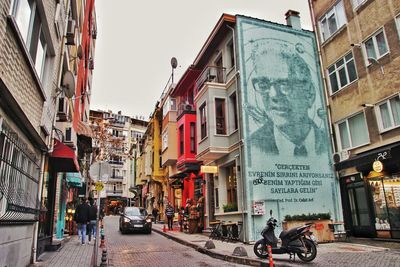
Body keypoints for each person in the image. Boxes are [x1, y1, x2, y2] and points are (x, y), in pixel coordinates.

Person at [248, 41, 328, 157]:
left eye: (284, 84)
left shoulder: (327, 142)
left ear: (310, 93)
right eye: (263, 84)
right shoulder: (253, 146)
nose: (273, 94)